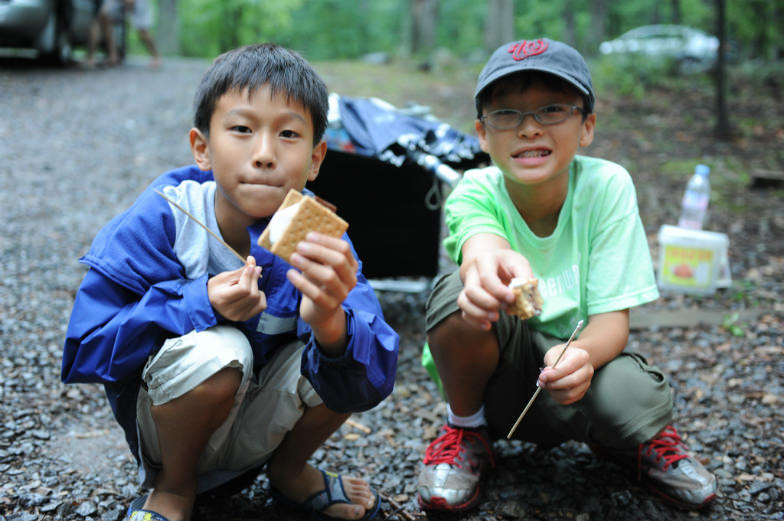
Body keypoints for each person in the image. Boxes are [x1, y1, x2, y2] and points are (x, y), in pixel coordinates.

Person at [62, 43, 398, 521]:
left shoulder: (315, 235)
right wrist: (198, 302)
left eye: (288, 134)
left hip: (262, 428)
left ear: (316, 158)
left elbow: (375, 378)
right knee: (220, 350)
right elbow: (86, 349)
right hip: (169, 428)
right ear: (202, 147)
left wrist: (330, 324)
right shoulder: (165, 216)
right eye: (241, 129)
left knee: (347, 346)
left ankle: (288, 471)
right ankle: (173, 489)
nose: (264, 154)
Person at [416, 38, 717, 512]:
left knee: (632, 397)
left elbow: (612, 322)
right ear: (481, 133)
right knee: (457, 296)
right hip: (501, 377)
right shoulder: (474, 188)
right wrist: (487, 265)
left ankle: (631, 440)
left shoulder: (607, 188)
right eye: (507, 114)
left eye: (552, 110)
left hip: (581, 371)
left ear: (587, 127)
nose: (529, 128)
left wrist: (579, 355)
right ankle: (467, 428)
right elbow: (478, 240)